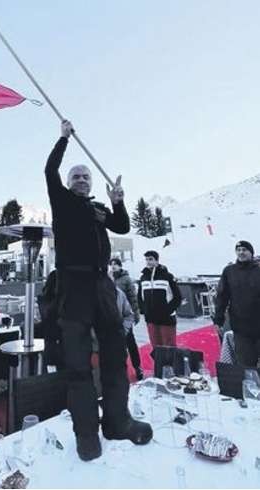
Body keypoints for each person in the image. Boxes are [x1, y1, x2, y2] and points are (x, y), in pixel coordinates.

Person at [44, 119, 151, 461]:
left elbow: (121, 225)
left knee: (115, 357)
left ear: (91, 184)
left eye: (85, 177)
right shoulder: (60, 201)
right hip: (72, 286)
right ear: (69, 181)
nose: (80, 180)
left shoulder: (98, 209)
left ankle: (118, 422)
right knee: (78, 365)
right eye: (76, 176)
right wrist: (62, 140)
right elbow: (49, 170)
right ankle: (86, 433)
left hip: (102, 284)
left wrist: (118, 202)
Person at [213, 241, 260, 368]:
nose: (241, 252)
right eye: (238, 250)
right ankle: (250, 387)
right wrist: (218, 319)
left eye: (244, 250)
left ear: (251, 252)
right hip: (241, 327)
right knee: (245, 365)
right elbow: (222, 297)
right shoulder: (229, 271)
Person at [137, 251, 182, 347]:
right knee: (156, 347)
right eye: (147, 259)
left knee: (169, 347)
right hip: (151, 319)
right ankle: (158, 362)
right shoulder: (143, 278)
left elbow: (177, 297)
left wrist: (168, 310)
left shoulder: (167, 276)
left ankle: (170, 362)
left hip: (166, 319)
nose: (148, 262)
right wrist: (144, 310)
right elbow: (139, 297)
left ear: (157, 261)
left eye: (151, 259)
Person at [110, 258, 144, 380]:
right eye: (111, 264)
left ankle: (137, 367)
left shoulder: (126, 279)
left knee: (130, 342)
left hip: (125, 314)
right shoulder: (109, 278)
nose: (113, 267)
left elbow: (132, 297)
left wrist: (135, 313)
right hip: (114, 314)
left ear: (120, 266)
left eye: (115, 264)